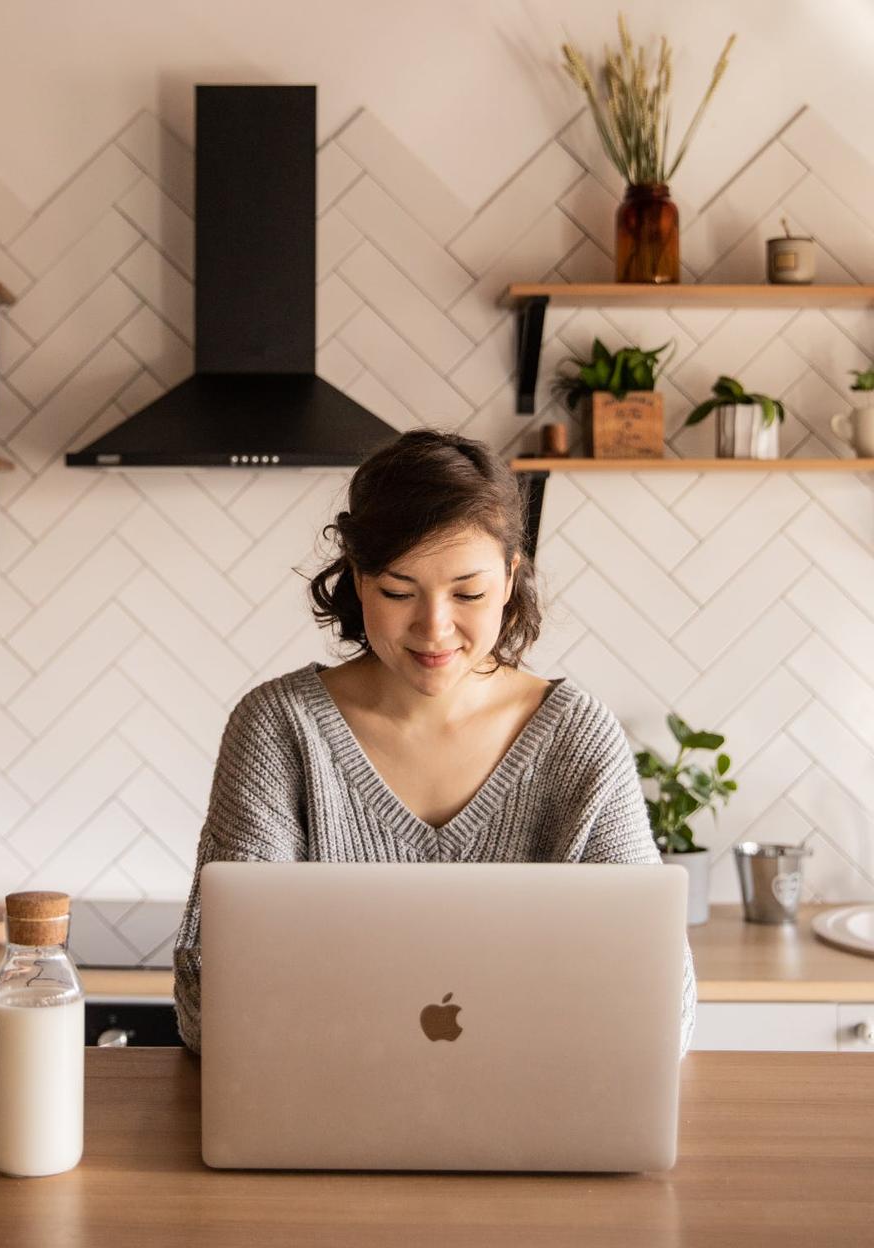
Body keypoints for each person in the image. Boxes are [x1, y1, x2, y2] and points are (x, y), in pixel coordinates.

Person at [172, 429, 696, 1056]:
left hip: (535, 1130)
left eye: (468, 593)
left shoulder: (578, 740)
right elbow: (210, 1006)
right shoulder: (279, 730)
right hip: (327, 1130)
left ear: (509, 578)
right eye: (399, 592)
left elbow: (662, 1008)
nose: (434, 627)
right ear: (358, 580)